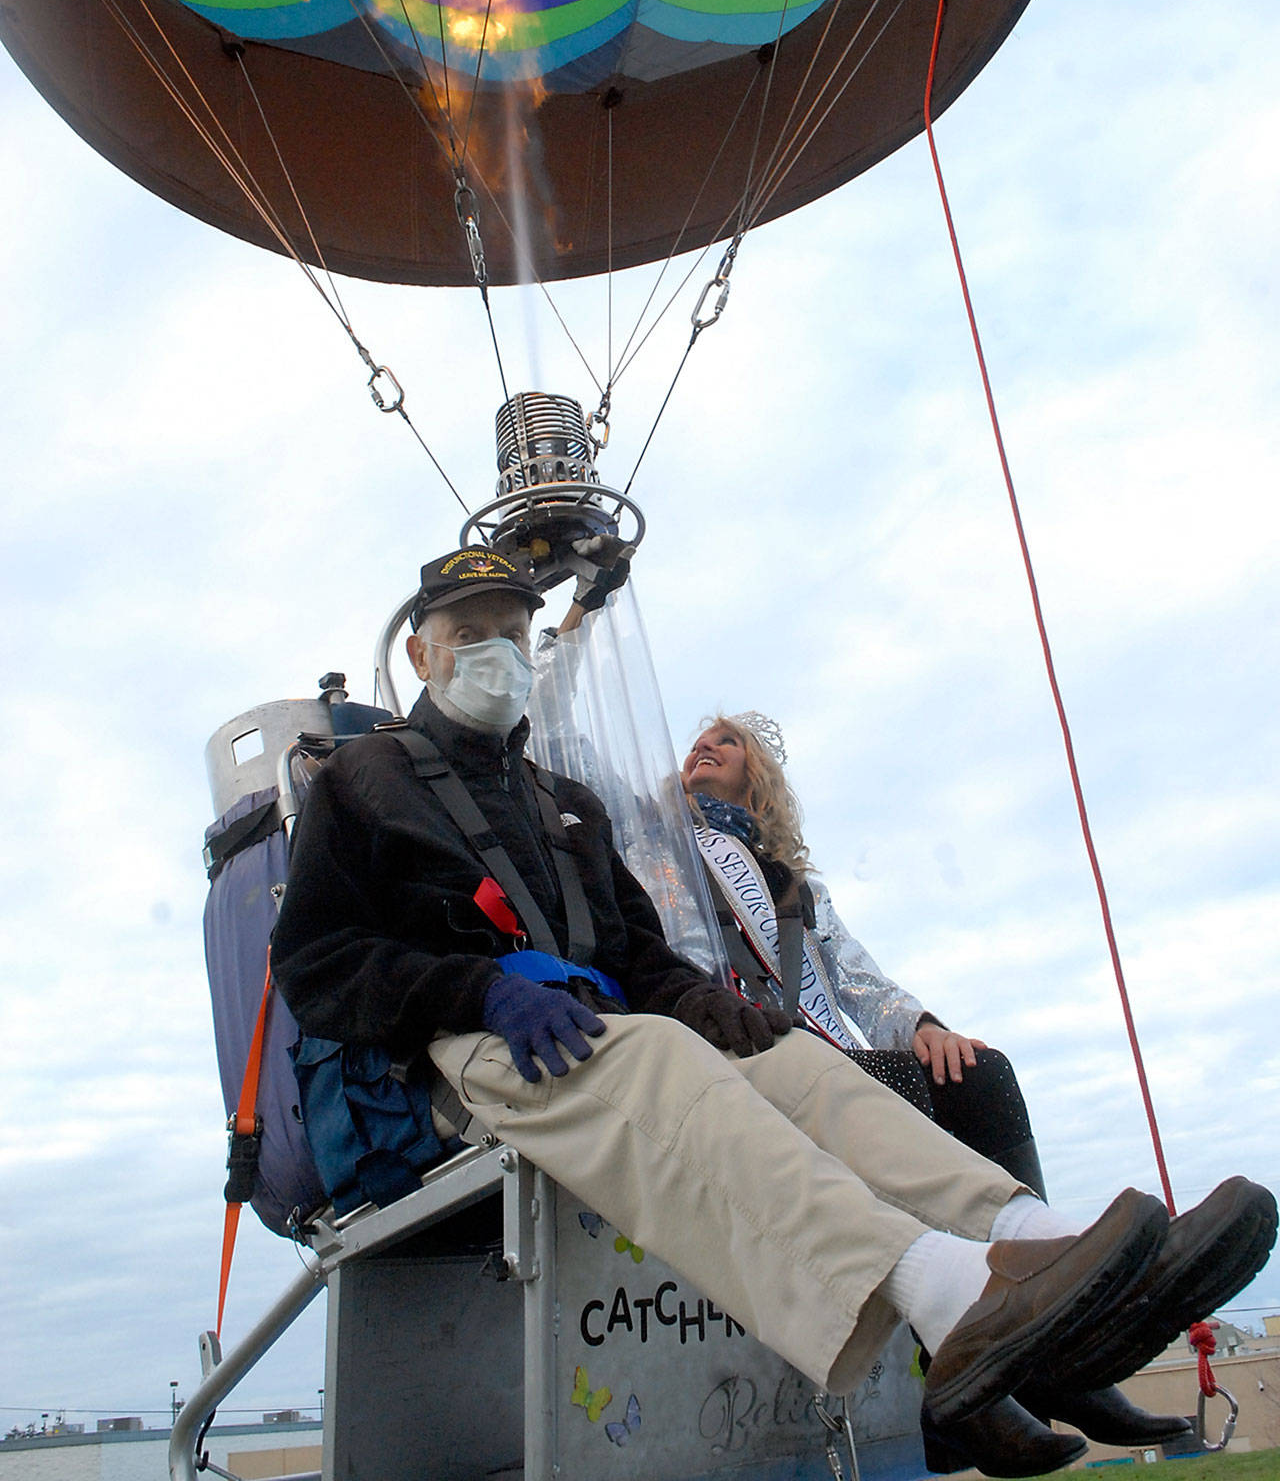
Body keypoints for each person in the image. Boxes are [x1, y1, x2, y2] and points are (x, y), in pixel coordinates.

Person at [271, 546, 1276, 1479]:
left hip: (600, 1025)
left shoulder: (563, 803)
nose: (494, 651)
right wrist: (476, 988)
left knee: (798, 1065)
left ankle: (1035, 1240)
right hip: (467, 1047)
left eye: (510, 628)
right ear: (419, 650)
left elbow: (639, 956)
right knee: (657, 1056)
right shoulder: (362, 783)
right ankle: (950, 1292)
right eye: (469, 631)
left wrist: (719, 1007)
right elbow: (314, 961)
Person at [682, 713, 1202, 1453]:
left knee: (980, 1074)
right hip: (740, 1047)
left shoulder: (798, 888)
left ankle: (1051, 1350)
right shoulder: (663, 845)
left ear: (757, 779)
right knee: (893, 1084)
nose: (704, 746)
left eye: (725, 742)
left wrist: (924, 1024)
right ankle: (954, 1381)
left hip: (825, 1049)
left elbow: (859, 983)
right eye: (697, 742)